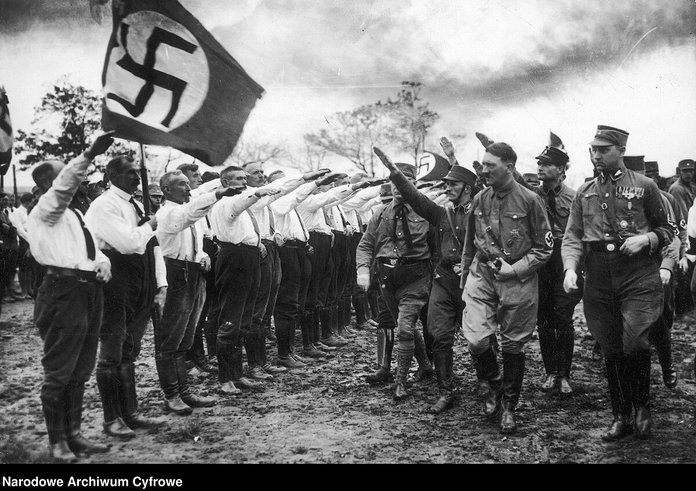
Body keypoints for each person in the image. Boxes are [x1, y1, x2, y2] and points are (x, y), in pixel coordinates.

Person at [562, 125, 673, 440]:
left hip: (637, 272)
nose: (597, 155)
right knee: (611, 349)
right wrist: (571, 267)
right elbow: (572, 236)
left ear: (621, 151)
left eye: (604, 149)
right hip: (598, 275)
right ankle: (620, 415)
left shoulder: (645, 185)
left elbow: (667, 230)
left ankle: (642, 405)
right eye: (594, 149)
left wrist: (647, 239)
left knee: (635, 342)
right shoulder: (583, 193)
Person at [28, 132, 115, 461]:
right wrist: (90, 153)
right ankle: (58, 441)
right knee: (60, 370)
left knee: (81, 368)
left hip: (88, 290)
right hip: (62, 293)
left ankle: (75, 434)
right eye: (64, 172)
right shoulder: (45, 211)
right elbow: (65, 185)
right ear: (50, 182)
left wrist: (103, 264)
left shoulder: (77, 215)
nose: (74, 178)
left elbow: (93, 250)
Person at [375, 140, 477, 413]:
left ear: (467, 189)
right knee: (439, 334)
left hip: (475, 280)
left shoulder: (480, 212)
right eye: (444, 184)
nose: (446, 188)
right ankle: (446, 390)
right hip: (444, 280)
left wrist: (454, 158)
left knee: (478, 337)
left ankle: (488, 385)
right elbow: (416, 197)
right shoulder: (440, 214)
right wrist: (394, 172)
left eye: (451, 185)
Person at [459, 141, 553, 434]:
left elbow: (544, 247)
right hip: (483, 273)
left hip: (517, 279)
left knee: (513, 344)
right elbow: (469, 243)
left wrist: (516, 268)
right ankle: (491, 383)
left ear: (509, 167)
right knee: (476, 339)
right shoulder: (480, 199)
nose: (484, 170)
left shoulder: (530, 200)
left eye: (490, 165)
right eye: (483, 164)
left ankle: (509, 406)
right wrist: (465, 277)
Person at [85, 155, 168, 440]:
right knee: (112, 352)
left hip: (137, 279)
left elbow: (148, 245)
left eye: (138, 173)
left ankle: (130, 412)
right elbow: (128, 242)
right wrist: (150, 225)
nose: (137, 178)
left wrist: (157, 283)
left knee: (129, 350)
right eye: (131, 173)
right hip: (114, 280)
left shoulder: (134, 203)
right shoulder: (104, 205)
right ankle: (112, 418)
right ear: (112, 175)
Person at [153, 170, 244, 414]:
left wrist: (201, 255)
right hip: (174, 274)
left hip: (191, 272)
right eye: (180, 185)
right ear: (167, 190)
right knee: (169, 339)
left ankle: (184, 391)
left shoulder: (185, 212)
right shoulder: (168, 212)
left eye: (186, 183)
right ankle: (171, 394)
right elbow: (185, 218)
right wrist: (216, 194)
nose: (187, 187)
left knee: (185, 338)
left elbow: (193, 238)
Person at [357, 152, 438, 401]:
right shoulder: (380, 213)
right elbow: (366, 245)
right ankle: (424, 364)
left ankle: (401, 382)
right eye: (393, 182)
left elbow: (437, 248)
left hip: (416, 276)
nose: (398, 187)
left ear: (413, 184)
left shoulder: (427, 212)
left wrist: (433, 277)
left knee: (404, 327)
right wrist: (362, 269)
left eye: (404, 182)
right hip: (387, 279)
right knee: (405, 324)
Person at [208, 166, 280, 393]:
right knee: (230, 319)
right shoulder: (226, 203)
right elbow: (239, 204)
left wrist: (257, 244)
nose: (242, 182)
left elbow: (248, 231)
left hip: (249, 257)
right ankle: (225, 379)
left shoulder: (243, 205)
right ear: (224, 182)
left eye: (243, 178)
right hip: (234, 259)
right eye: (237, 179)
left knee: (245, 319)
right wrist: (257, 193)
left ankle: (238, 374)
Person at [534, 143, 583, 395]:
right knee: (543, 318)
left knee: (563, 317)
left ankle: (564, 374)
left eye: (546, 164)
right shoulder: (532, 196)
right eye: (539, 163)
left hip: (565, 260)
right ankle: (550, 371)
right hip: (540, 262)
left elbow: (581, 234)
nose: (540, 167)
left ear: (562, 169)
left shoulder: (575, 198)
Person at [633, 158, 683, 389]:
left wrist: (666, 266)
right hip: (625, 272)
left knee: (661, 319)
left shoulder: (662, 199)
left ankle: (667, 366)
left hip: (655, 268)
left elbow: (671, 237)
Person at [668, 158, 696, 316]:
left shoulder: (689, 187)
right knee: (683, 271)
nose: (689, 174)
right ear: (679, 172)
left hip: (687, 232)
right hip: (681, 233)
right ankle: (681, 309)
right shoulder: (677, 189)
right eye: (685, 171)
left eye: (691, 170)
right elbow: (683, 216)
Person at [9, 192, 33, 299]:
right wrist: (29, 240)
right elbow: (19, 229)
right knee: (23, 266)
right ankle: (23, 290)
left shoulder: (29, 211)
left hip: (31, 240)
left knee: (29, 266)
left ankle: (29, 289)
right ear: (27, 201)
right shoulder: (17, 212)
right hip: (24, 241)